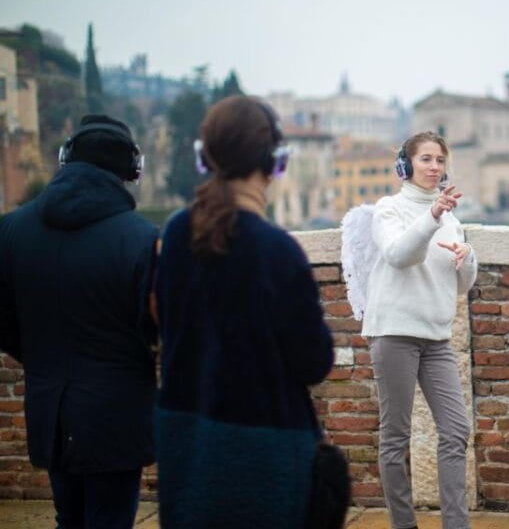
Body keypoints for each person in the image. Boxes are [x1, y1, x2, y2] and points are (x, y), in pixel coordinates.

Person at [153, 96, 334, 528]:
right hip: (264, 446)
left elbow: (160, 320)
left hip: (185, 436)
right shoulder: (278, 252)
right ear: (275, 162)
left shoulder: (175, 233)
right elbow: (314, 362)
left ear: (205, 158)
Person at [0, 114, 157, 528]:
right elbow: (158, 332)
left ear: (65, 158)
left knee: (68, 518)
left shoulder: (11, 231)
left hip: (51, 412)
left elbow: (4, 322)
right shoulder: (142, 239)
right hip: (118, 418)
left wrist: (42, 356)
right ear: (130, 170)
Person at [362, 131, 477, 529]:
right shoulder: (389, 209)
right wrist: (431, 218)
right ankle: (404, 524)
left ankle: (456, 525)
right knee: (396, 436)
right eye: (426, 159)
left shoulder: (452, 219)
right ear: (405, 165)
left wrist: (468, 255)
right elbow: (398, 256)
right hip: (394, 332)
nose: (434, 167)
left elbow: (461, 285)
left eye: (440, 160)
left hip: (436, 336)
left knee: (456, 430)